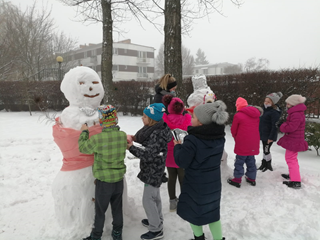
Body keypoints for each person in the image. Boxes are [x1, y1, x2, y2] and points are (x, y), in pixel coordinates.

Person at [173, 101, 228, 240]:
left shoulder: (192, 140)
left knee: (194, 211)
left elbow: (182, 161)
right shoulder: (220, 137)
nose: (191, 119)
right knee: (212, 212)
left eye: (194, 117)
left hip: (195, 184)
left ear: (201, 123)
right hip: (213, 182)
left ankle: (199, 237)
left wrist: (178, 147)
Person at [79, 105, 127, 240]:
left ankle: (96, 235)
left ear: (101, 120)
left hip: (104, 183)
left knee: (100, 210)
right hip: (118, 180)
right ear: (115, 119)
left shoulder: (97, 139)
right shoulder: (122, 136)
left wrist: (84, 132)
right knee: (117, 209)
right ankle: (117, 233)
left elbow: (83, 148)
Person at [127, 103, 172, 240]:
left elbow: (149, 155)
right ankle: (157, 221)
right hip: (155, 168)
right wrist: (134, 138)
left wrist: (130, 148)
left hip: (154, 170)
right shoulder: (154, 129)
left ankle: (156, 229)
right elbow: (145, 140)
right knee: (155, 197)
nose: (142, 118)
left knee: (148, 200)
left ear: (152, 119)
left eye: (145, 116)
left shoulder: (157, 134)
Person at [162, 94, 191, 212]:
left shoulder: (165, 119)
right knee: (183, 178)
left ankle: (172, 203)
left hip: (169, 154)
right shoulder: (187, 119)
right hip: (181, 153)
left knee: (171, 178)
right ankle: (184, 201)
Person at [228, 97, 262, 188]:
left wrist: (236, 138)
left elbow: (234, 129)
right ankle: (251, 178)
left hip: (242, 142)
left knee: (239, 161)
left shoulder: (238, 115)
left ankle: (237, 179)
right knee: (251, 160)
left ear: (237, 106)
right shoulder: (256, 115)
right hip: (253, 142)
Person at [277, 94, 308, 189]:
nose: (286, 105)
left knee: (291, 159)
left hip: (294, 140)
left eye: (288, 103)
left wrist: (282, 126)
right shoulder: (296, 113)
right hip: (294, 139)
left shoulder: (296, 114)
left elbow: (291, 127)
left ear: (294, 104)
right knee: (291, 158)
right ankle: (293, 175)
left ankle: (296, 181)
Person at [258, 92, 283, 172]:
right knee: (264, 149)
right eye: (265, 101)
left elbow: (274, 126)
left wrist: (271, 137)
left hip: (269, 135)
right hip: (263, 134)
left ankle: (268, 165)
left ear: (273, 103)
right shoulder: (264, 110)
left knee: (266, 150)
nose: (266, 103)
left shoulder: (274, 112)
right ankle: (263, 164)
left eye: (268, 102)